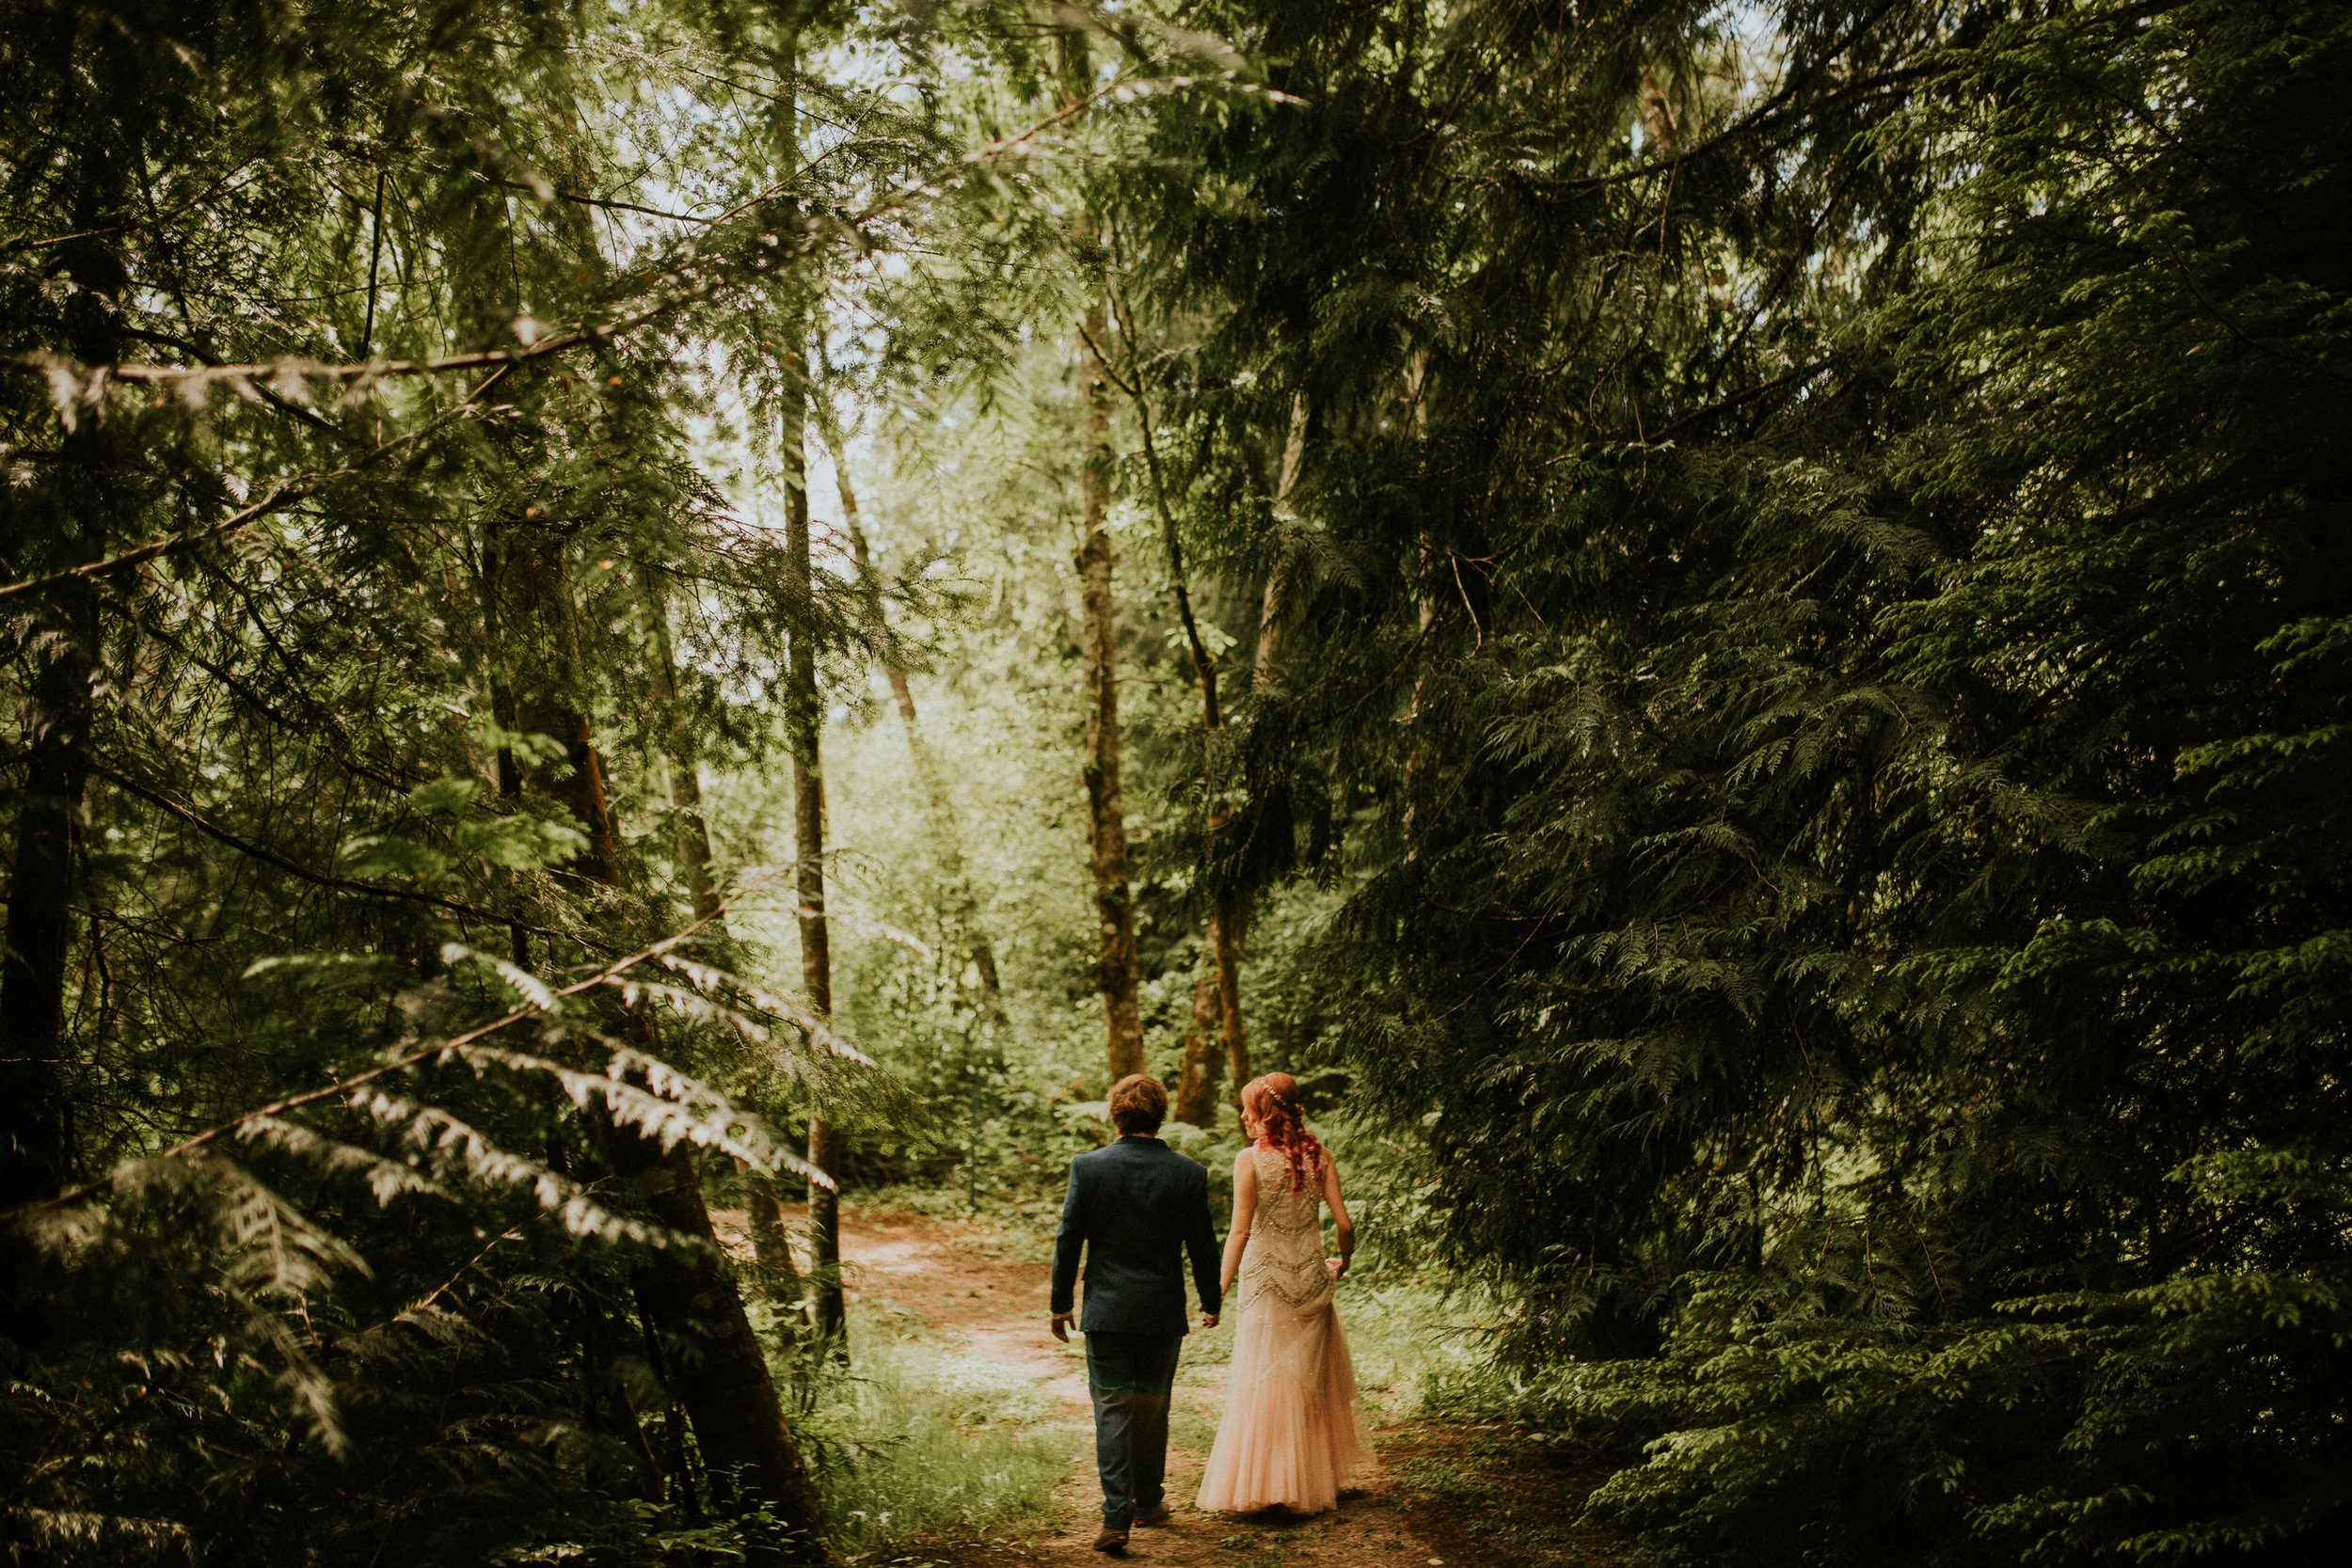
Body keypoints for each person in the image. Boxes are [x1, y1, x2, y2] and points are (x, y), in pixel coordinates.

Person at [1051, 1072, 1223, 1555]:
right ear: (1160, 1114)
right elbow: (1202, 1246)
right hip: (1161, 1311)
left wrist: (1060, 1303)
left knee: (1112, 1408)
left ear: (1116, 1114)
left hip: (1105, 1310)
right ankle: (1148, 1499)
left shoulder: (1089, 1167)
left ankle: (1116, 1516)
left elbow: (1069, 1238)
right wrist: (1211, 1300)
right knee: (1153, 1405)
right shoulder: (1187, 1172)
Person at [1195, 1072, 1366, 1515]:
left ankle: (1269, 1483)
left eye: (1247, 1109)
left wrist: (1216, 1293)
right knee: (1306, 1380)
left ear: (1263, 1113)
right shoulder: (1320, 1156)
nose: (1242, 1117)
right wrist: (1341, 1262)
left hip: (1264, 1280)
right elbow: (1344, 1226)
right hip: (1310, 1276)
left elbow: (1239, 1231)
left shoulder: (1249, 1160)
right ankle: (1310, 1478)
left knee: (1264, 1376)